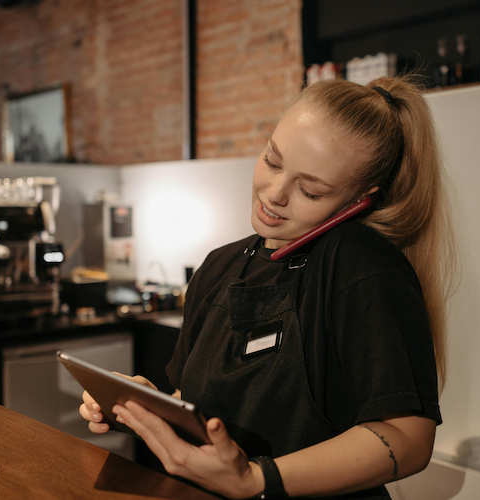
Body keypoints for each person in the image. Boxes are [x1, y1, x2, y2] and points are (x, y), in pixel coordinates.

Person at [80, 75, 457, 499]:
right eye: (272, 161)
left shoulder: (360, 265)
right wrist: (148, 408)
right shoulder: (220, 264)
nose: (274, 194)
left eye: (310, 190)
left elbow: (408, 439)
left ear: (359, 199)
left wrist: (258, 481)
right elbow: (196, 402)